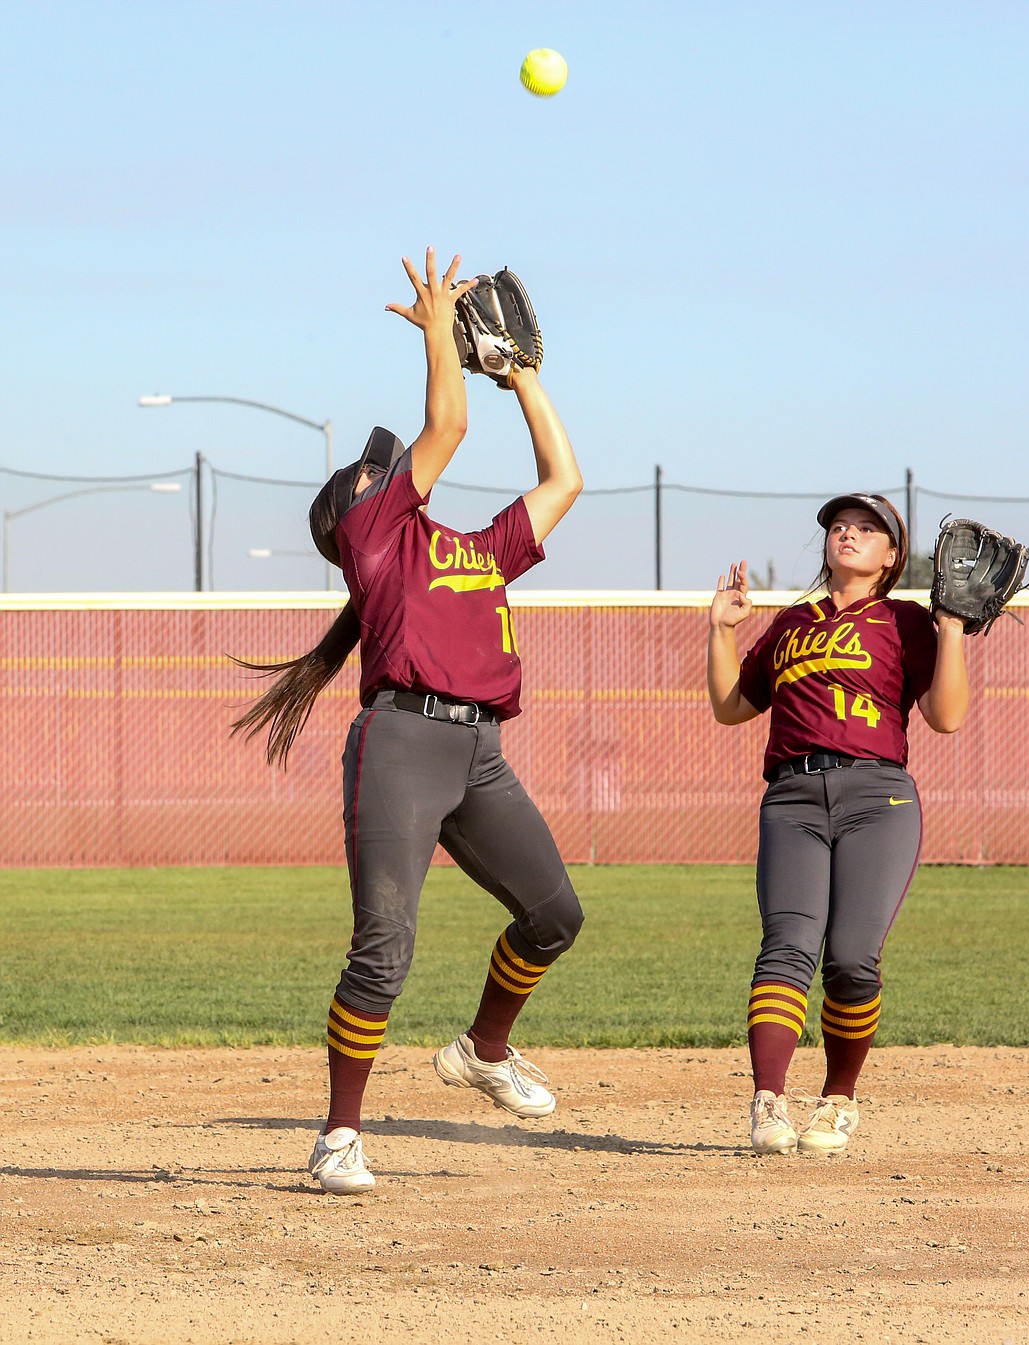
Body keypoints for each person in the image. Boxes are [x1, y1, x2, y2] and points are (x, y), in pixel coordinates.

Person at [232, 248, 584, 1194]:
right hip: (401, 745)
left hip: (480, 752)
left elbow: (564, 480)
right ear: (354, 511)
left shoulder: (472, 549)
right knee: (384, 947)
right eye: (375, 473)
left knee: (555, 914)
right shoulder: (373, 540)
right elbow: (447, 421)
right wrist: (439, 331)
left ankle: (484, 1048)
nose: (391, 472)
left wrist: (527, 379)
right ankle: (340, 1134)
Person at [706, 494, 970, 1156]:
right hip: (791, 796)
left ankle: (839, 1099)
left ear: (890, 557)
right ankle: (768, 1099)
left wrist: (953, 631)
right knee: (788, 945)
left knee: (852, 958)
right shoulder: (792, 623)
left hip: (877, 796)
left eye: (867, 528)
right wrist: (721, 629)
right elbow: (732, 707)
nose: (847, 533)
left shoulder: (906, 620)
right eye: (839, 526)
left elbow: (946, 716)